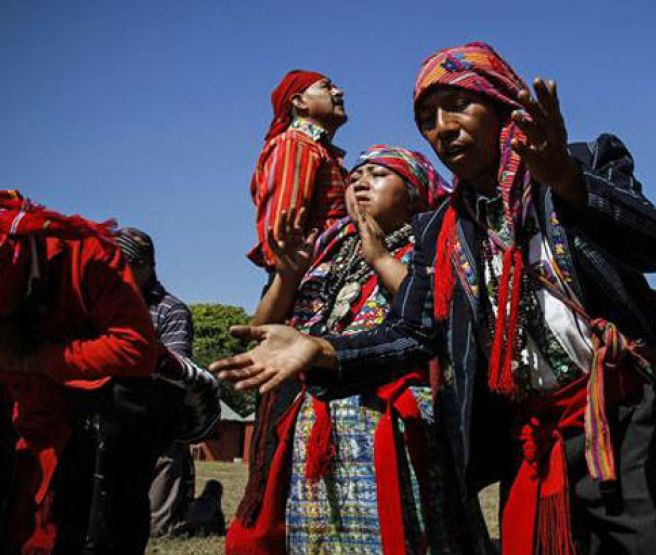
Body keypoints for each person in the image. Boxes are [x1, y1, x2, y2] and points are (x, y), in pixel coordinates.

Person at [214, 43, 656, 554]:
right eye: (428, 120)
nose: (442, 129)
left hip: (625, 423)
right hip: (534, 439)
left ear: (501, 106)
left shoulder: (588, 159)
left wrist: (569, 182)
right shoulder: (444, 229)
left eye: (458, 108)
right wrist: (323, 350)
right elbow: (416, 329)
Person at [226, 144, 487, 554]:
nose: (361, 182)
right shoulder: (327, 252)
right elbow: (260, 332)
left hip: (400, 426)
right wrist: (288, 275)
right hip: (318, 425)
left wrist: (381, 258)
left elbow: (439, 317)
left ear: (415, 188)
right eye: (355, 177)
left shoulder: (436, 241)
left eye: (380, 174)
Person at [0, 191, 158, 553]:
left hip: (91, 422)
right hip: (20, 416)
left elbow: (135, 349)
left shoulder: (89, 255)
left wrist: (36, 361)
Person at [115, 227, 211, 539]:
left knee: (158, 529)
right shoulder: (104, 304)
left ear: (147, 266)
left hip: (158, 420)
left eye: (126, 263)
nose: (117, 269)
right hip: (113, 415)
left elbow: (177, 374)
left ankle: (208, 508)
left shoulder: (171, 310)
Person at [248, 70, 349, 272]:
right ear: (299, 102)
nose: (339, 92)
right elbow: (281, 238)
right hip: (308, 284)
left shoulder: (320, 151)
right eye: (326, 86)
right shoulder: (294, 144)